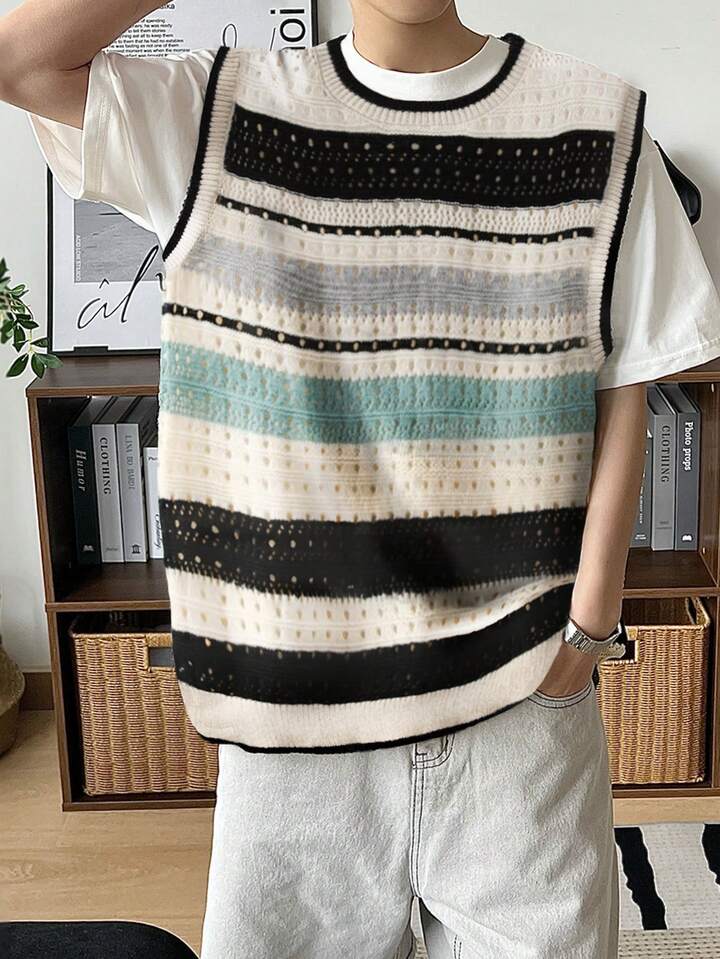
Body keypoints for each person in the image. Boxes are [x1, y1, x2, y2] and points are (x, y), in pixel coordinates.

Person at [3, 1, 720, 956]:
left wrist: (588, 626)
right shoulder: (220, 114)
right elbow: (21, 60)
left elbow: (631, 375)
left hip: (519, 702)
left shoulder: (598, 122)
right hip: (294, 721)